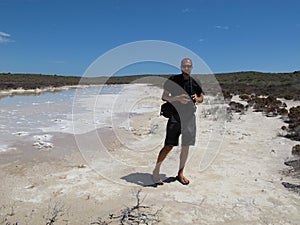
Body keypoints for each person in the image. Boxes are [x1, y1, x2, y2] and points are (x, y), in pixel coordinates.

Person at [153, 58, 204, 185]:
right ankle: (156, 170)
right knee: (169, 145)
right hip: (175, 117)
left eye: (189, 66)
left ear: (192, 67)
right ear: (181, 67)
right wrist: (178, 99)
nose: (187, 68)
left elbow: (202, 97)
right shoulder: (173, 80)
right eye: (185, 66)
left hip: (189, 118)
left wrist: (196, 98)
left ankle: (180, 173)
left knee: (186, 146)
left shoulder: (195, 82)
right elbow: (164, 97)